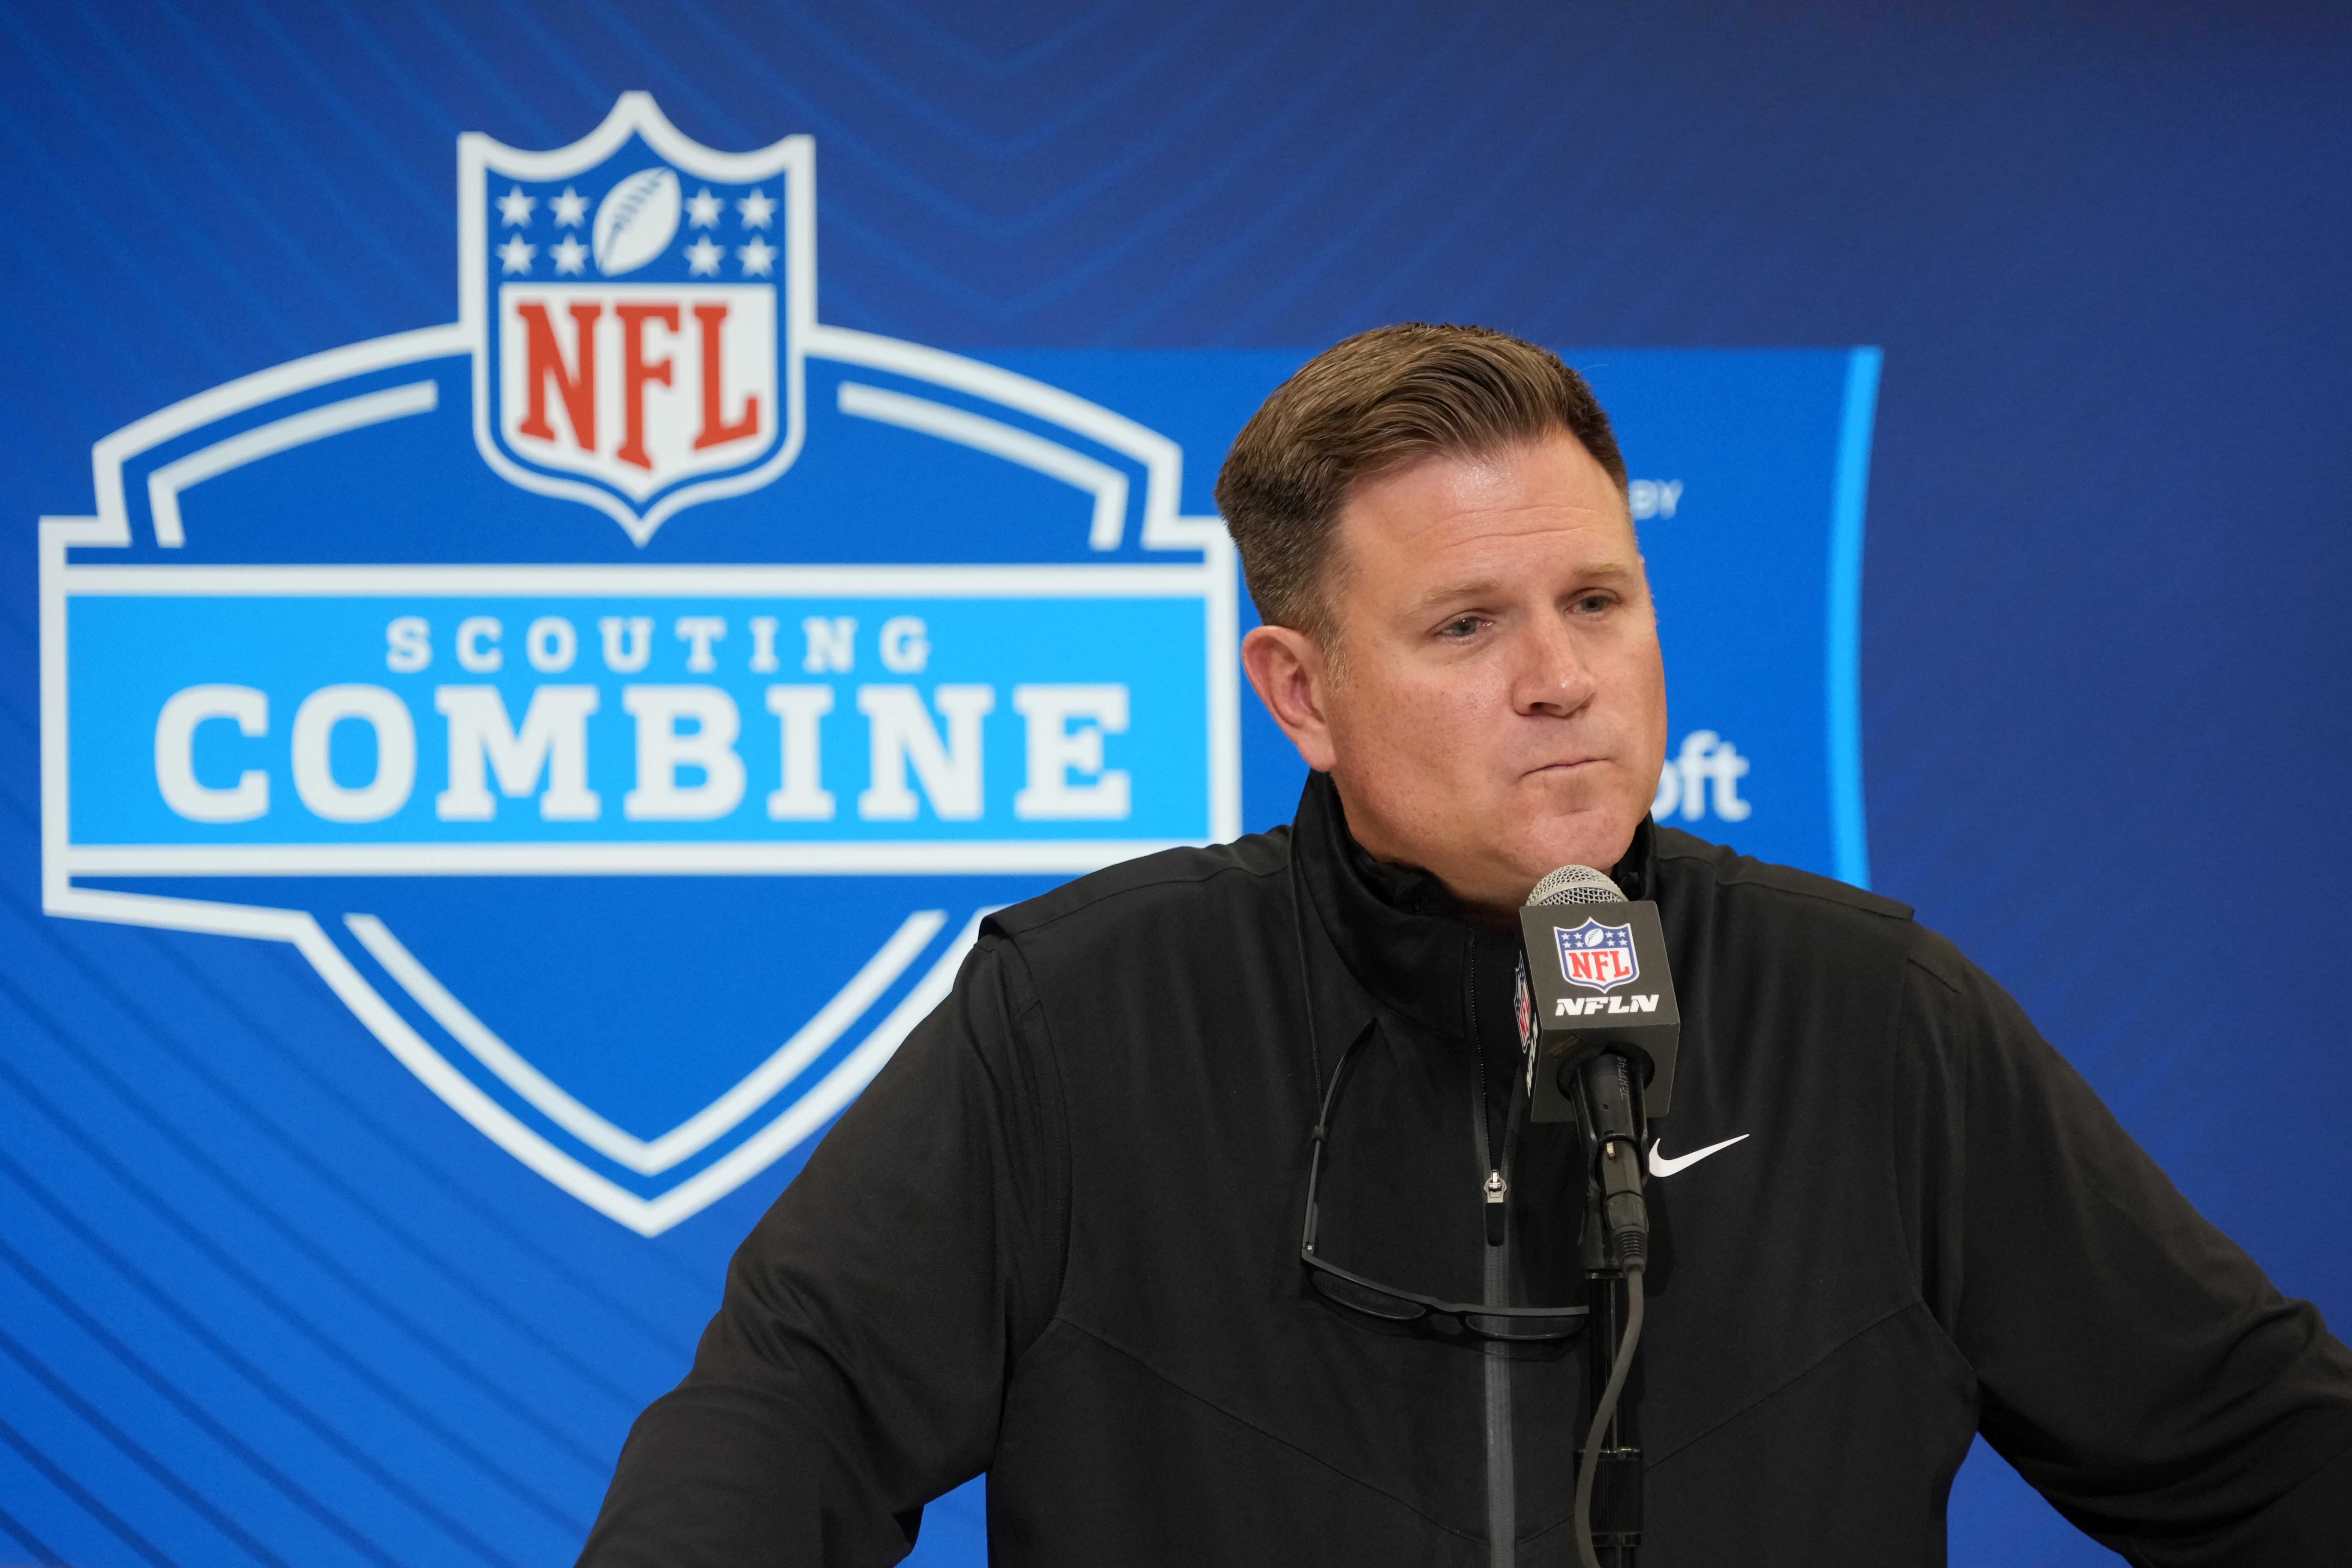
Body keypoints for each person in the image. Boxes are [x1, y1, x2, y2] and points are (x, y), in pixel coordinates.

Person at [578, 325, 2352, 1566]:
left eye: (1596, 598)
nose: (1560, 675)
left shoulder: (1867, 1018)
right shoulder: (1081, 1017)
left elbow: (2258, 1446)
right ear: (1301, 691)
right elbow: (780, 1425)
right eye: (1463, 623)